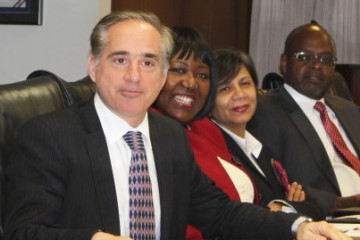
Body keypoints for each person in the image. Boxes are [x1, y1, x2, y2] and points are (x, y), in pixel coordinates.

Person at [3, 11, 350, 240]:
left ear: (162, 72)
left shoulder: (169, 137)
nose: (134, 76)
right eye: (120, 59)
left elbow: (219, 212)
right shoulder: (49, 135)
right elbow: (22, 231)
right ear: (94, 66)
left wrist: (298, 226)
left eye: (149, 62)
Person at [152, 28, 325, 239]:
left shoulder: (205, 130)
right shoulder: (155, 133)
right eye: (178, 70)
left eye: (202, 75)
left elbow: (222, 211)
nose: (191, 82)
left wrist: (294, 222)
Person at [248, 23, 360, 214]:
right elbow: (278, 184)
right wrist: (345, 203)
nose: (316, 65)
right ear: (284, 62)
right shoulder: (264, 111)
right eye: (304, 57)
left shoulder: (350, 110)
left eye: (325, 59)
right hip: (331, 220)